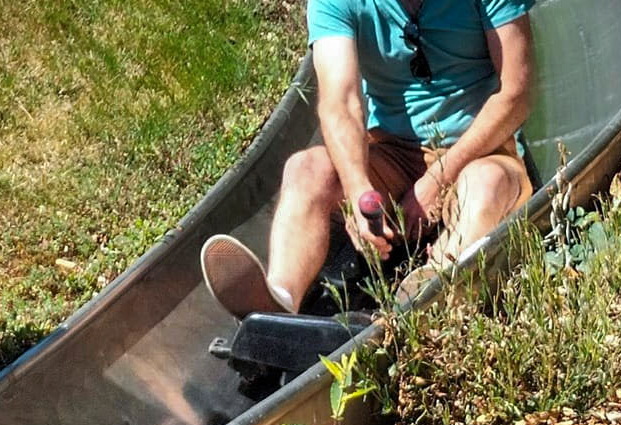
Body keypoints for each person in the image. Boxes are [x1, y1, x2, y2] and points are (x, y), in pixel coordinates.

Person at [202, 0, 535, 318]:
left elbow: (515, 93)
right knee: (306, 169)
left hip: (483, 152)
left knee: (488, 185)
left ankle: (428, 299)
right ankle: (277, 302)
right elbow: (340, 103)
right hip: (394, 153)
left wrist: (439, 179)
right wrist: (360, 191)